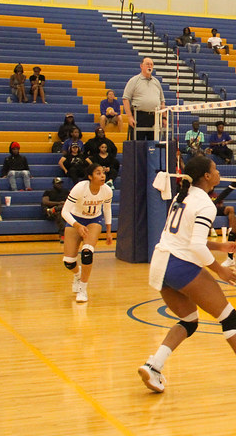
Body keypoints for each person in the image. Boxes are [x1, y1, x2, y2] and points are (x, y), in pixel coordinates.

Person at [138, 154, 236, 394]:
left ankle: (154, 365)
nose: (218, 172)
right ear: (206, 176)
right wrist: (220, 270)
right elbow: (194, 247)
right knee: (229, 317)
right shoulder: (204, 203)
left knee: (189, 321)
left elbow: (185, 238)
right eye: (215, 169)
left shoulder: (182, 196)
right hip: (180, 264)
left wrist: (221, 246)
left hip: (161, 263)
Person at [60, 162, 113, 303]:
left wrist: (108, 231)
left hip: (94, 221)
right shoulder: (79, 188)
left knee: (87, 252)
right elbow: (64, 211)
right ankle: (77, 275)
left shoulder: (107, 190)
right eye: (98, 173)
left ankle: (83, 288)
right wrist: (77, 226)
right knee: (69, 262)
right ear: (90, 176)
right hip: (75, 219)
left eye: (103, 173)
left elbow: (107, 209)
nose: (102, 176)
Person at [123, 57, 165, 141]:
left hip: (155, 117)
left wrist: (164, 118)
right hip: (139, 116)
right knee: (138, 145)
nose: (149, 66)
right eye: (147, 64)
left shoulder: (156, 82)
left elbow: (162, 101)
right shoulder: (134, 80)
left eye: (151, 64)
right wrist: (130, 117)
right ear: (141, 66)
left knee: (153, 146)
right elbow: (125, 99)